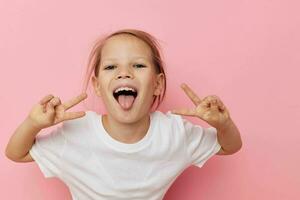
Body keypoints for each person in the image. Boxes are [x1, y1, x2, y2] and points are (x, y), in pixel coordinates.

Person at [5, 29, 243, 200]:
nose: (124, 73)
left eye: (138, 65)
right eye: (111, 67)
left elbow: (229, 146)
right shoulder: (77, 132)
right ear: (97, 86)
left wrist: (224, 124)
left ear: (158, 85)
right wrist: (33, 124)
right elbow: (16, 153)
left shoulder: (174, 132)